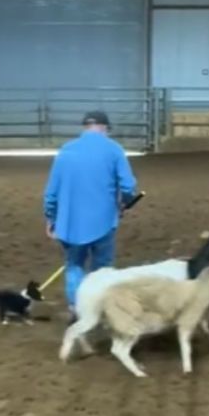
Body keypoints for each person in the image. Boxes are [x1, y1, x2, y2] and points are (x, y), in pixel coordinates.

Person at [43, 111, 139, 312]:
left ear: (85, 127)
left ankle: (75, 308)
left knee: (74, 265)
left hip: (69, 222)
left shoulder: (66, 150)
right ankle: (99, 306)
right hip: (103, 222)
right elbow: (128, 186)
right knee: (102, 267)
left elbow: (51, 192)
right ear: (104, 128)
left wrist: (51, 218)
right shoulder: (114, 150)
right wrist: (125, 202)